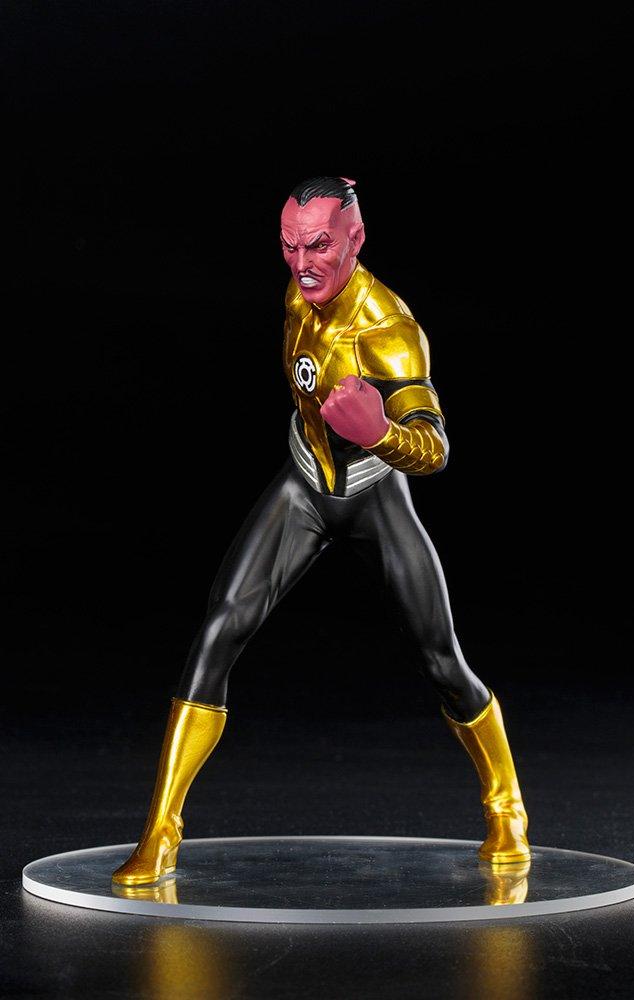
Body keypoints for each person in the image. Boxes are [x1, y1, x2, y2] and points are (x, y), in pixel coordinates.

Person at [112, 176, 529, 886]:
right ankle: (160, 833)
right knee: (219, 629)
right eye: (288, 245)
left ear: (355, 240)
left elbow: (434, 450)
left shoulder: (389, 331)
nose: (302, 263)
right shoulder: (299, 290)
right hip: (305, 482)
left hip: (372, 492)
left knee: (440, 659)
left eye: (319, 246)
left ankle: (507, 808)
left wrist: (380, 433)